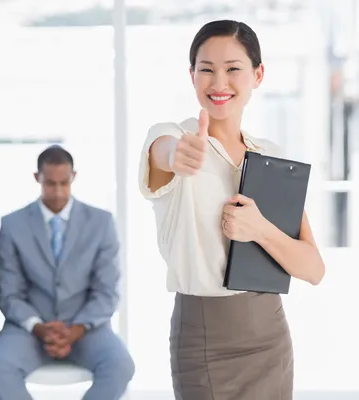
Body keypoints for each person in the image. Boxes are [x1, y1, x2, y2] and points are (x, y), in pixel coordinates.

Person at [138, 20, 326, 400]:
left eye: (232, 69)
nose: (218, 82)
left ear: (258, 74)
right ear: (191, 76)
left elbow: (313, 269)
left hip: (270, 334)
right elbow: (164, 154)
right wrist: (179, 157)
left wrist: (259, 229)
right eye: (206, 69)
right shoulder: (176, 136)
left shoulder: (270, 157)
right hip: (205, 337)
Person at [0, 145, 134, 400]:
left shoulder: (101, 223)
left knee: (121, 366)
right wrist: (38, 327)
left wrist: (76, 329)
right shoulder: (12, 224)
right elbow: (9, 293)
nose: (58, 191)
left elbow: (107, 291)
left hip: (86, 327)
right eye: (50, 183)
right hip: (28, 329)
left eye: (64, 182)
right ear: (37, 178)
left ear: (74, 176)